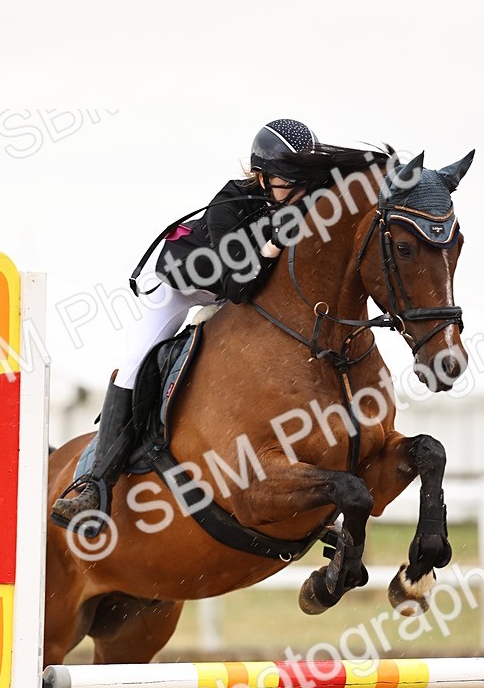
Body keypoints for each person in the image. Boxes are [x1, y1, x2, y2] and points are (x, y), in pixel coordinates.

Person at [51, 118, 319, 536]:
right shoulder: (230, 204)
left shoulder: (302, 197)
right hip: (178, 287)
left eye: (306, 181)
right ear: (262, 177)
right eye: (290, 180)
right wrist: (273, 243)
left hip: (224, 295)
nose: (301, 192)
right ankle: (93, 485)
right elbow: (237, 287)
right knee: (136, 367)